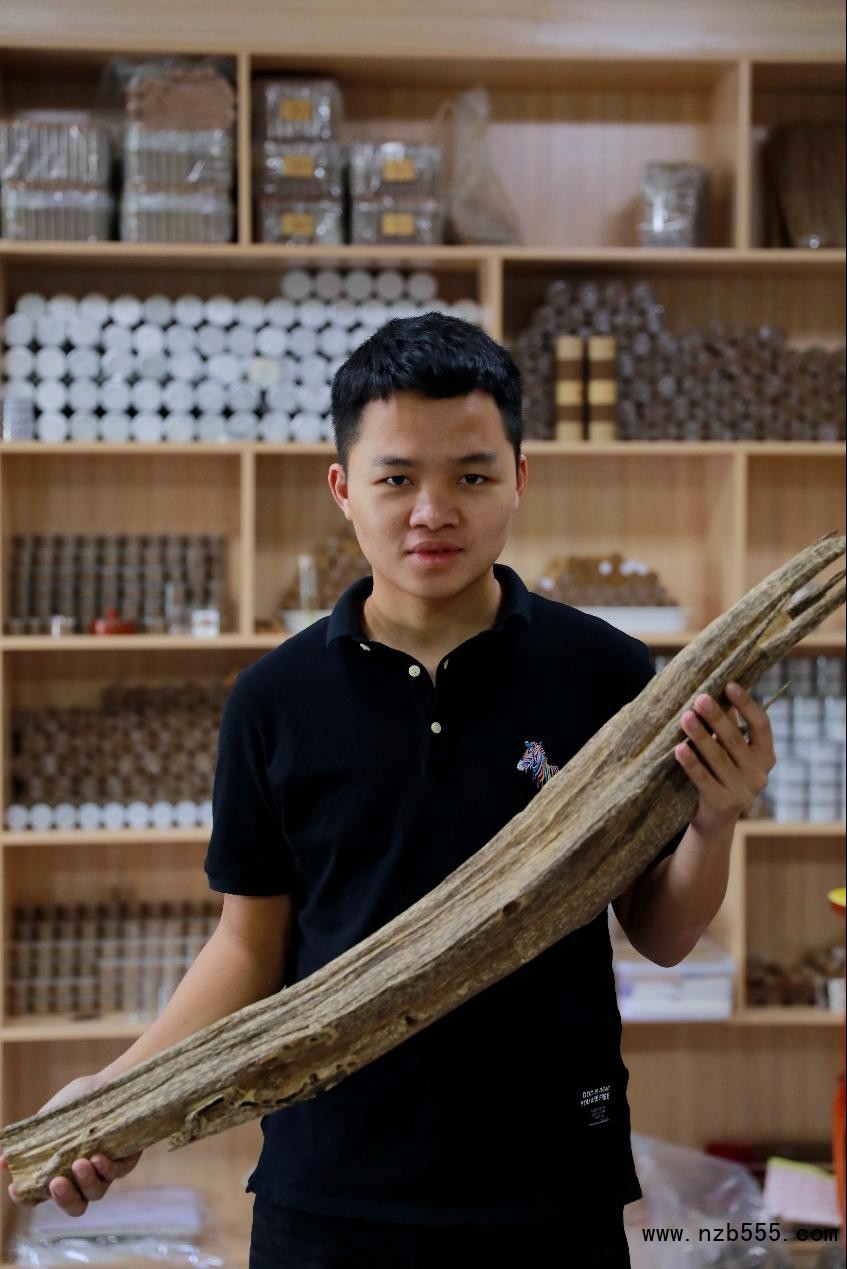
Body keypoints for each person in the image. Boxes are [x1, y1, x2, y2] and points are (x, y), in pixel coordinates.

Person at [2, 314, 774, 1268]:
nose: (431, 511)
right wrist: (118, 1094)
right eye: (396, 478)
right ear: (343, 488)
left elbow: (659, 933)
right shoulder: (273, 699)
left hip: (549, 1185)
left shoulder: (606, 674)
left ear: (519, 477)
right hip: (328, 1190)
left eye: (472, 477)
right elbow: (247, 945)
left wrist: (715, 818)